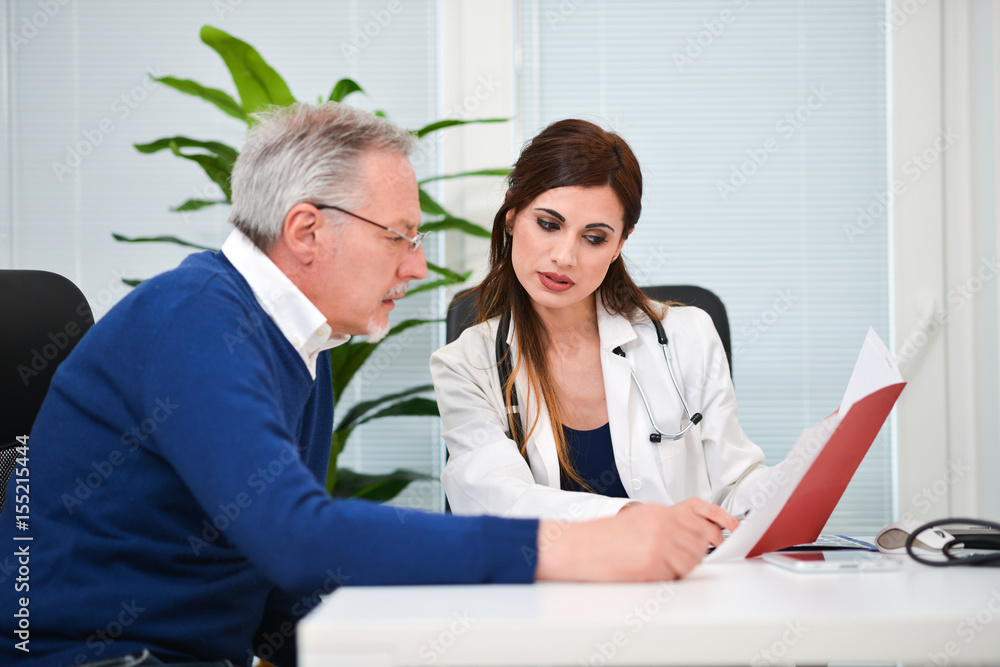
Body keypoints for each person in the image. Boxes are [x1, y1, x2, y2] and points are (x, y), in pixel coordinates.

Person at [0, 104, 737, 667]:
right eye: (399, 237)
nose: (417, 267)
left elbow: (281, 591)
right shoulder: (195, 318)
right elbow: (296, 537)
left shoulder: (303, 347)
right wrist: (578, 548)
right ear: (307, 231)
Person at [431, 118, 777, 521]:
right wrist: (636, 521)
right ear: (511, 215)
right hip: (550, 566)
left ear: (619, 244)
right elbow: (496, 500)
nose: (565, 257)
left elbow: (735, 488)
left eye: (594, 238)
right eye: (548, 224)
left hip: (684, 564)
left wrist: (813, 464)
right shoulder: (465, 365)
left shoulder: (689, 336)